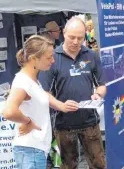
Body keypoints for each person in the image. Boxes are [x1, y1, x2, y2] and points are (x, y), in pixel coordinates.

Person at [39, 17, 107, 169]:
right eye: (72, 37)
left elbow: (102, 85)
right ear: (64, 33)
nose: (76, 42)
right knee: (68, 165)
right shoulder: (52, 58)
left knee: (98, 164)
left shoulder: (91, 55)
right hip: (63, 123)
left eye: (80, 38)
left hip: (89, 121)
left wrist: (99, 94)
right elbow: (44, 92)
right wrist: (61, 106)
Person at [3, 34, 79, 169]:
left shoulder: (32, 80)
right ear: (33, 59)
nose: (53, 61)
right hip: (31, 149)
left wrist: (61, 106)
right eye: (49, 57)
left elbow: (41, 95)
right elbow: (9, 112)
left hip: (35, 149)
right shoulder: (23, 81)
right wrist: (28, 122)